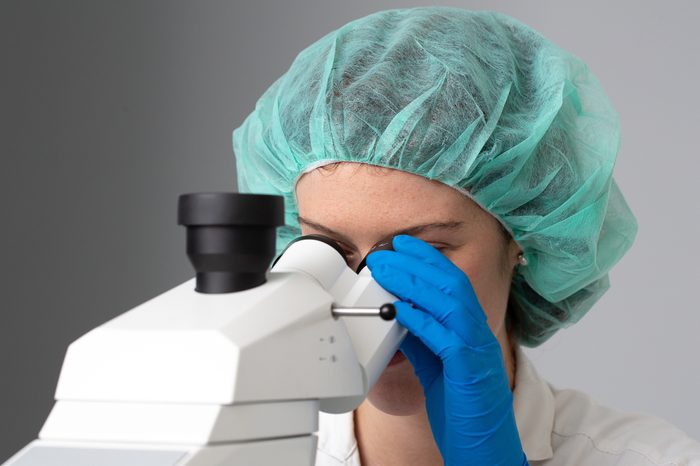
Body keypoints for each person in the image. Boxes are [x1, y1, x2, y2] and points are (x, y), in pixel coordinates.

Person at [232, 7, 700, 465]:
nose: (368, 296)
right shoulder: (229, 452)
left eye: (423, 252)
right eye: (331, 249)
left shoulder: (651, 459)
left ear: (523, 241)